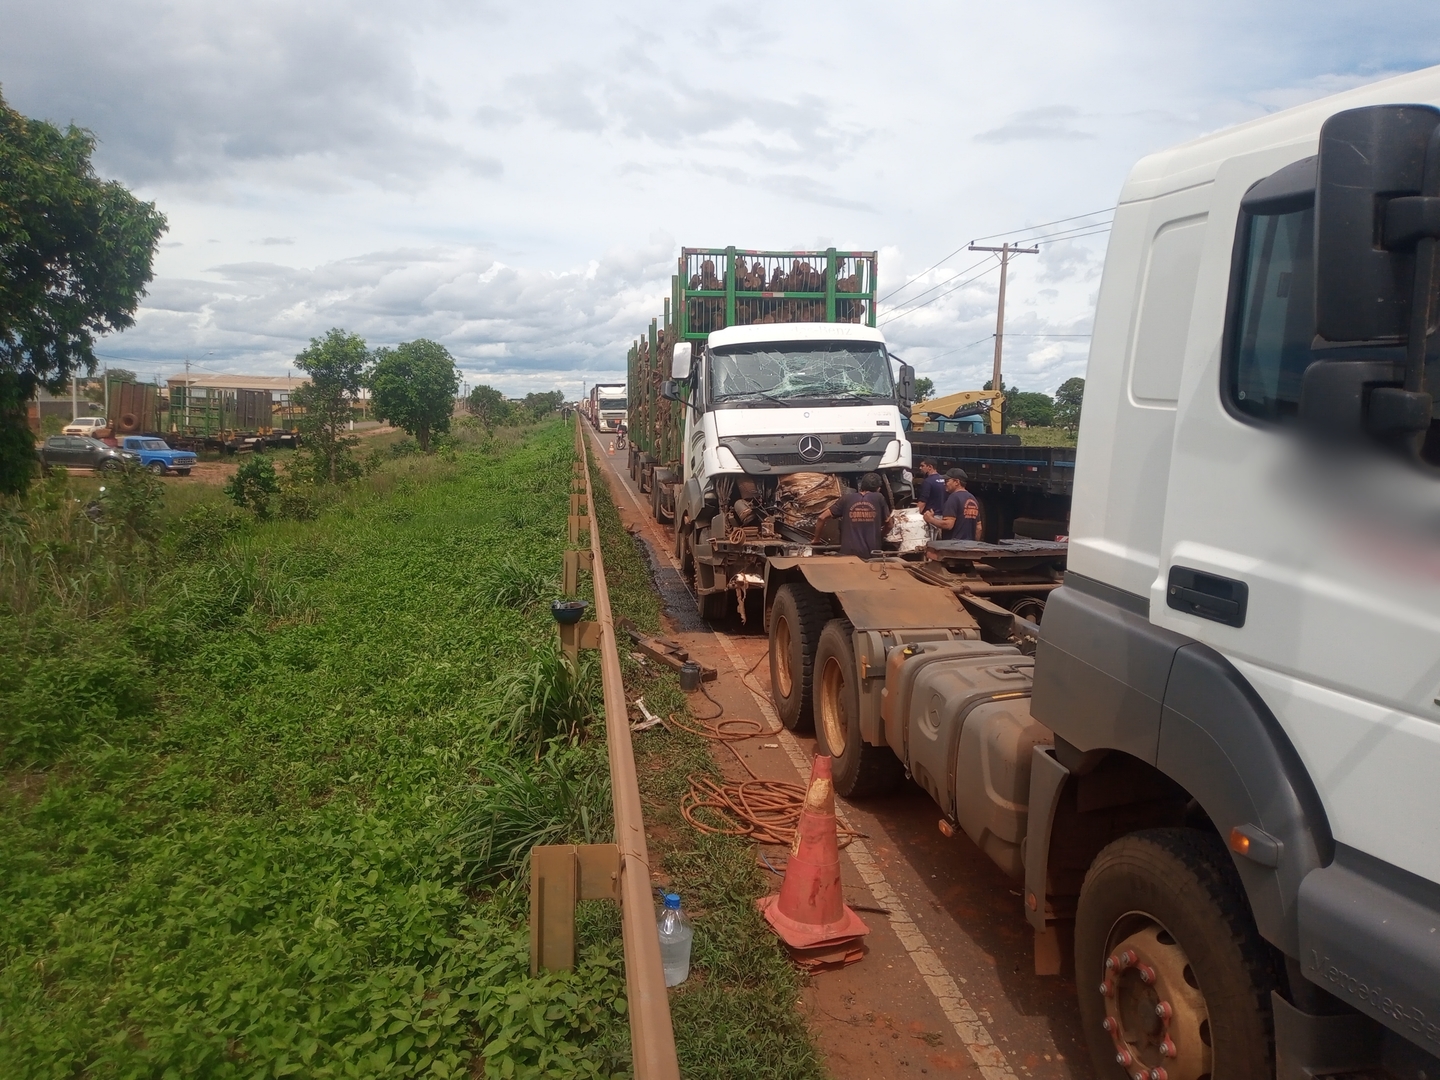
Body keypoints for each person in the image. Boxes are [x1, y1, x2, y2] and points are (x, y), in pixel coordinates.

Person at [812, 472, 892, 558]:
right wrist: (879, 537)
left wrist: (816, 539)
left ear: (862, 486)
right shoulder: (879, 498)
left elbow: (821, 517)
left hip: (847, 555)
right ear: (878, 488)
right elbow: (890, 525)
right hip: (872, 555)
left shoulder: (846, 499)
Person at [923, 468, 981, 541]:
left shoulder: (953, 498)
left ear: (956, 482)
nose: (944, 484)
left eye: (947, 481)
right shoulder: (973, 499)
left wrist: (930, 519)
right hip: (968, 548)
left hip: (953, 547)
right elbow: (979, 528)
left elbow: (948, 524)